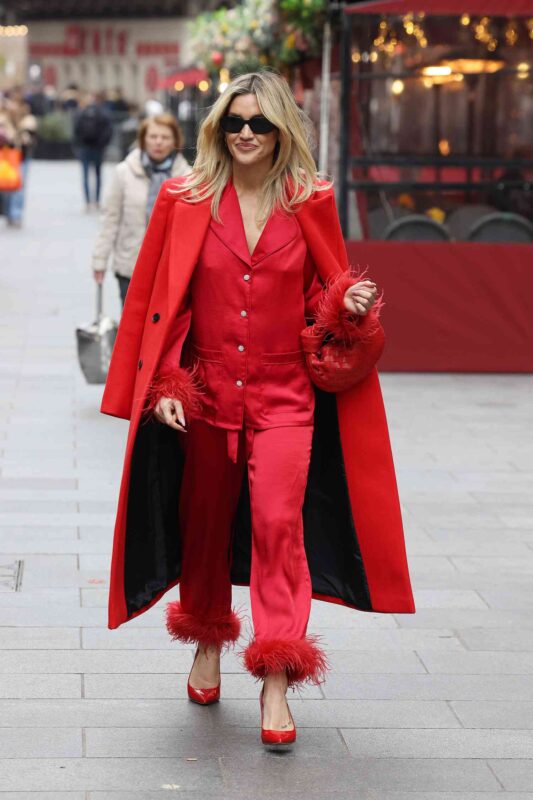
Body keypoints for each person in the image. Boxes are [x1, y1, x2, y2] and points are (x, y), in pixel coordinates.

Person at [100, 69, 415, 748]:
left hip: (285, 397)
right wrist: (162, 390)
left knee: (278, 526)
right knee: (204, 524)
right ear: (218, 128)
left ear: (280, 132)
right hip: (208, 392)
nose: (245, 134)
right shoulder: (183, 198)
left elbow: (322, 295)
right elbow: (160, 303)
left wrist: (342, 304)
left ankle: (275, 676)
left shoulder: (311, 200)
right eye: (234, 122)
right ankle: (207, 639)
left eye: (260, 124)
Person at [91, 113, 191, 307]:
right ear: (143, 140)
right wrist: (99, 260)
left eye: (165, 137)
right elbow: (110, 218)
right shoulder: (124, 172)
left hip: (170, 271)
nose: (158, 142)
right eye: (153, 137)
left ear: (175, 141)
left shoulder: (188, 178)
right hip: (130, 265)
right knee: (132, 329)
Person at [74, 93, 113, 211]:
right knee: (98, 174)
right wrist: (103, 144)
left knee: (85, 175)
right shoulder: (102, 113)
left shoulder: (81, 113)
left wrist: (78, 145)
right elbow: (109, 130)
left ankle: (87, 202)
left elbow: (76, 130)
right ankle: (96, 201)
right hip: (98, 148)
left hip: (85, 148)